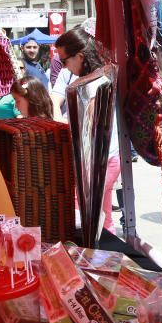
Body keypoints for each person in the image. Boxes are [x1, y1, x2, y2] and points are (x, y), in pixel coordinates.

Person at [55, 27, 122, 234]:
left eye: (65, 61)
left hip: (99, 160)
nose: (64, 67)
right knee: (103, 213)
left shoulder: (94, 83)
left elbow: (92, 125)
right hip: (105, 158)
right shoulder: (98, 77)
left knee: (88, 214)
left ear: (81, 56)